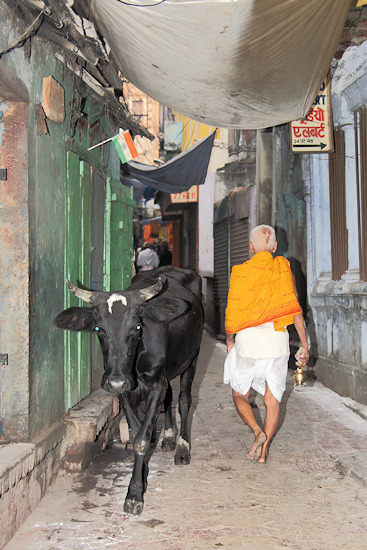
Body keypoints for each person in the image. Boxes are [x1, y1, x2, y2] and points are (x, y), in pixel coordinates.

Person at [224, 224, 309, 464]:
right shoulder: (283, 269)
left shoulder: (240, 272)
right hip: (277, 341)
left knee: (240, 394)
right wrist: (304, 345)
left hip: (249, 341)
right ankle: (264, 451)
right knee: (272, 401)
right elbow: (296, 312)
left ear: (251, 247)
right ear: (275, 246)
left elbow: (232, 312)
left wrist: (230, 341)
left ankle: (257, 431)